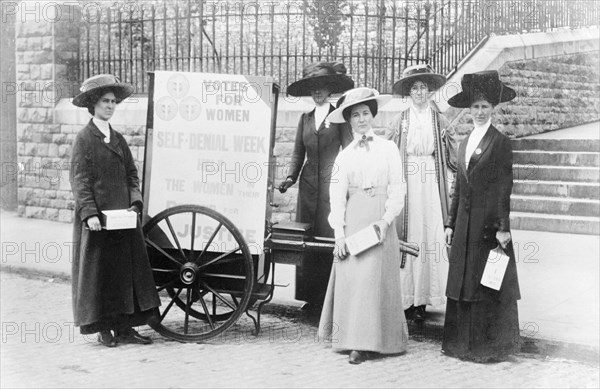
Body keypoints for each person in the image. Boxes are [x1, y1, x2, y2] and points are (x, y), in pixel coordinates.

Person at [318, 87, 408, 365]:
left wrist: (386, 219)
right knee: (356, 281)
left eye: (365, 113)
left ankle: (382, 341)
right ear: (349, 121)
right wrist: (340, 235)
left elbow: (398, 188)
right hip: (355, 220)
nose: (361, 119)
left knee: (377, 280)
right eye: (355, 115)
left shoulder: (388, 148)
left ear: (373, 116)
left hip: (380, 221)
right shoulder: (344, 156)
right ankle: (353, 341)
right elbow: (337, 197)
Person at [70, 74, 161, 347]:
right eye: (104, 102)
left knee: (125, 272)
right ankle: (104, 328)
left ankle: (126, 328)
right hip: (98, 221)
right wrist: (90, 214)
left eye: (113, 102)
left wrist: (135, 204)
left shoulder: (119, 139)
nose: (110, 106)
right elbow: (80, 180)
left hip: (122, 219)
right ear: (93, 106)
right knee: (101, 273)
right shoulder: (84, 139)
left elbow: (132, 176)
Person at [443, 70, 521, 362]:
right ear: (468, 109)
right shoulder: (464, 142)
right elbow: (458, 188)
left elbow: (504, 187)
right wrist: (450, 223)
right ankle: (459, 345)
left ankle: (487, 348)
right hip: (463, 225)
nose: (479, 111)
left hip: (487, 224)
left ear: (492, 109)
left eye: (484, 107)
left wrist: (503, 227)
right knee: (462, 281)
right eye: (475, 107)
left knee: (485, 283)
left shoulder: (499, 142)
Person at [278, 62, 354, 312]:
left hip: (333, 186)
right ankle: (310, 298)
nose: (317, 93)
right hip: (309, 188)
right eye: (313, 89)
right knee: (307, 242)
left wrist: (350, 181)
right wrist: (290, 178)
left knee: (328, 239)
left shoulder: (339, 118)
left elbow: (350, 150)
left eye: (321, 88)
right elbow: (298, 154)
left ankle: (330, 299)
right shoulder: (305, 118)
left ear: (330, 90)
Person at [387, 64, 458, 323]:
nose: (419, 92)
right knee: (409, 232)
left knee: (429, 233)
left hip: (430, 179)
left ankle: (424, 300)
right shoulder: (400, 120)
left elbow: (452, 156)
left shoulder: (439, 120)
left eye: (423, 87)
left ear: (430, 91)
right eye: (414, 88)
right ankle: (406, 298)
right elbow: (391, 154)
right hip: (407, 180)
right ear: (409, 92)